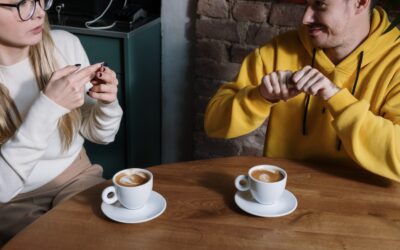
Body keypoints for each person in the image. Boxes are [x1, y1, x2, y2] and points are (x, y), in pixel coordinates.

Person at [205, 0, 400, 182]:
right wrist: (259, 97)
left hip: (367, 204)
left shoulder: (396, 62)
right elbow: (214, 124)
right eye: (306, 4)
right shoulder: (278, 51)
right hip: (286, 196)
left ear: (360, 3)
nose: (306, 18)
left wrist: (337, 98)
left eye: (319, 5)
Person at [0, 0, 123, 245]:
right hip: (11, 201)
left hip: (77, 176)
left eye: (39, 0)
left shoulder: (64, 44)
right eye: (22, 3)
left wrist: (107, 105)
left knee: (115, 238)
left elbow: (102, 136)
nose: (39, 13)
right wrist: (47, 107)